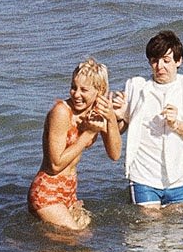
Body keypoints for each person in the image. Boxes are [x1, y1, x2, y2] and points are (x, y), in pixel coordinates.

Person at [113, 30, 183, 210]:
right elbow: (120, 129)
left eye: (166, 60)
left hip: (176, 178)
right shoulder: (136, 86)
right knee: (147, 231)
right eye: (154, 61)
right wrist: (117, 116)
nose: (160, 67)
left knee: (177, 232)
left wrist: (177, 124)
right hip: (143, 176)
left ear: (178, 61)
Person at [28, 58, 122, 230]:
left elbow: (115, 155)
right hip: (47, 191)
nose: (76, 94)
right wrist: (88, 135)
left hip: (69, 191)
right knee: (77, 239)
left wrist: (110, 118)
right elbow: (55, 165)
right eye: (73, 87)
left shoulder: (97, 113)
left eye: (84, 90)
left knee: (75, 250)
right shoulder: (61, 112)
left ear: (99, 91)